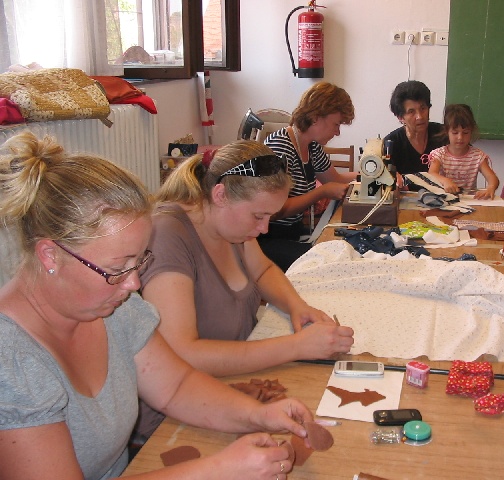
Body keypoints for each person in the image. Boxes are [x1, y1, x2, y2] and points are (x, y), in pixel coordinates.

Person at [0, 132, 313, 480]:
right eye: (118, 268)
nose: (134, 284)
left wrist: (257, 414)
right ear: (50, 255)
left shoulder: (112, 306)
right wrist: (221, 468)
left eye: (138, 262)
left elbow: (176, 386)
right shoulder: (11, 361)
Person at [136, 139, 354, 440]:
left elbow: (262, 271)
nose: (264, 229)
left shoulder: (231, 224)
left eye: (269, 217)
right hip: (176, 416)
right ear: (221, 195)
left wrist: (297, 306)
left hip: (232, 382)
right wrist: (296, 347)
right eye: (258, 216)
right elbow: (182, 354)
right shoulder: (167, 236)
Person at [261, 81, 357, 271]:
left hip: (293, 232)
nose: (337, 132)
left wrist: (370, 175)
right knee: (330, 264)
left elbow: (336, 180)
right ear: (315, 117)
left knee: (344, 249)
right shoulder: (280, 147)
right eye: (336, 124)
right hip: (268, 239)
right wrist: (321, 192)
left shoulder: (312, 147)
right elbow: (274, 210)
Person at [427, 104, 499, 199]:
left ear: (471, 131)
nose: (460, 137)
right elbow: (431, 174)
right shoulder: (439, 154)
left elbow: (492, 178)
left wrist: (491, 187)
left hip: (468, 201)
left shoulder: (477, 156)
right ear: (447, 131)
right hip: (444, 199)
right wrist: (445, 181)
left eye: (465, 132)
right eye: (455, 132)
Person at [383, 80, 446, 177]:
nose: (420, 117)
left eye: (423, 108)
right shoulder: (391, 144)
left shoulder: (444, 134)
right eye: (411, 112)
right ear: (400, 117)